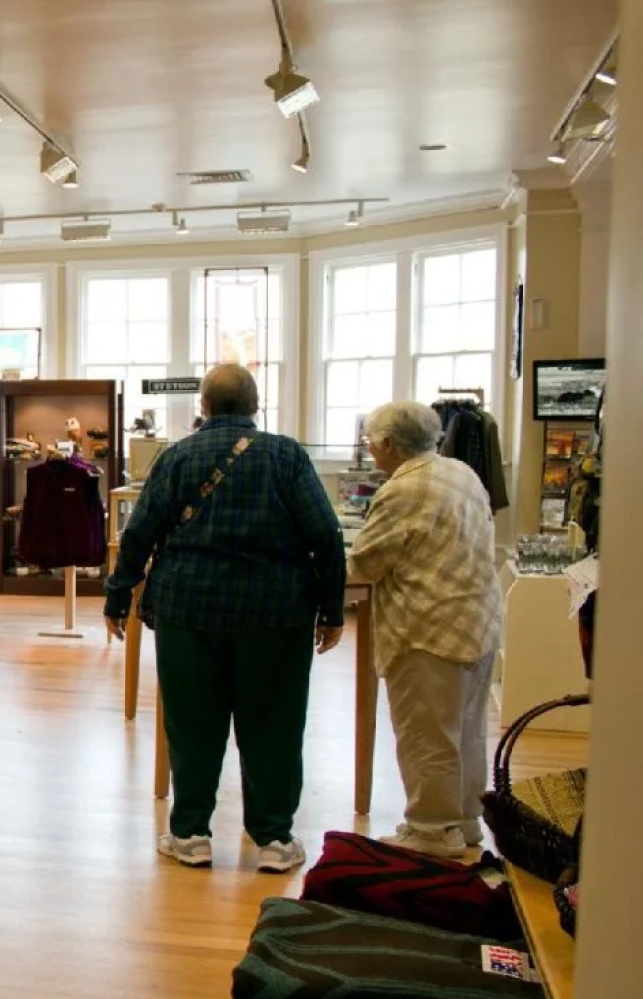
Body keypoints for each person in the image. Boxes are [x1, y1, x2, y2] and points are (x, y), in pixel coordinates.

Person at [105, 364, 346, 874]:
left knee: (193, 722)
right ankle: (274, 838)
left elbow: (140, 531)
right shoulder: (286, 455)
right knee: (275, 724)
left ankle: (191, 833)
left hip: (188, 606)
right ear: (256, 406)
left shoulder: (177, 456)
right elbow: (325, 533)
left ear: (205, 406)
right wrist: (331, 608)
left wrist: (118, 596)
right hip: (276, 609)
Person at [348, 401, 503, 858]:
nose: (370, 449)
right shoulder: (461, 472)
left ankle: (432, 829)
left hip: (428, 625)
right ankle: (465, 820)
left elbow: (366, 563)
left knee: (426, 732)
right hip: (476, 619)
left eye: (371, 441)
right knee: (467, 730)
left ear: (388, 444)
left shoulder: (404, 488)